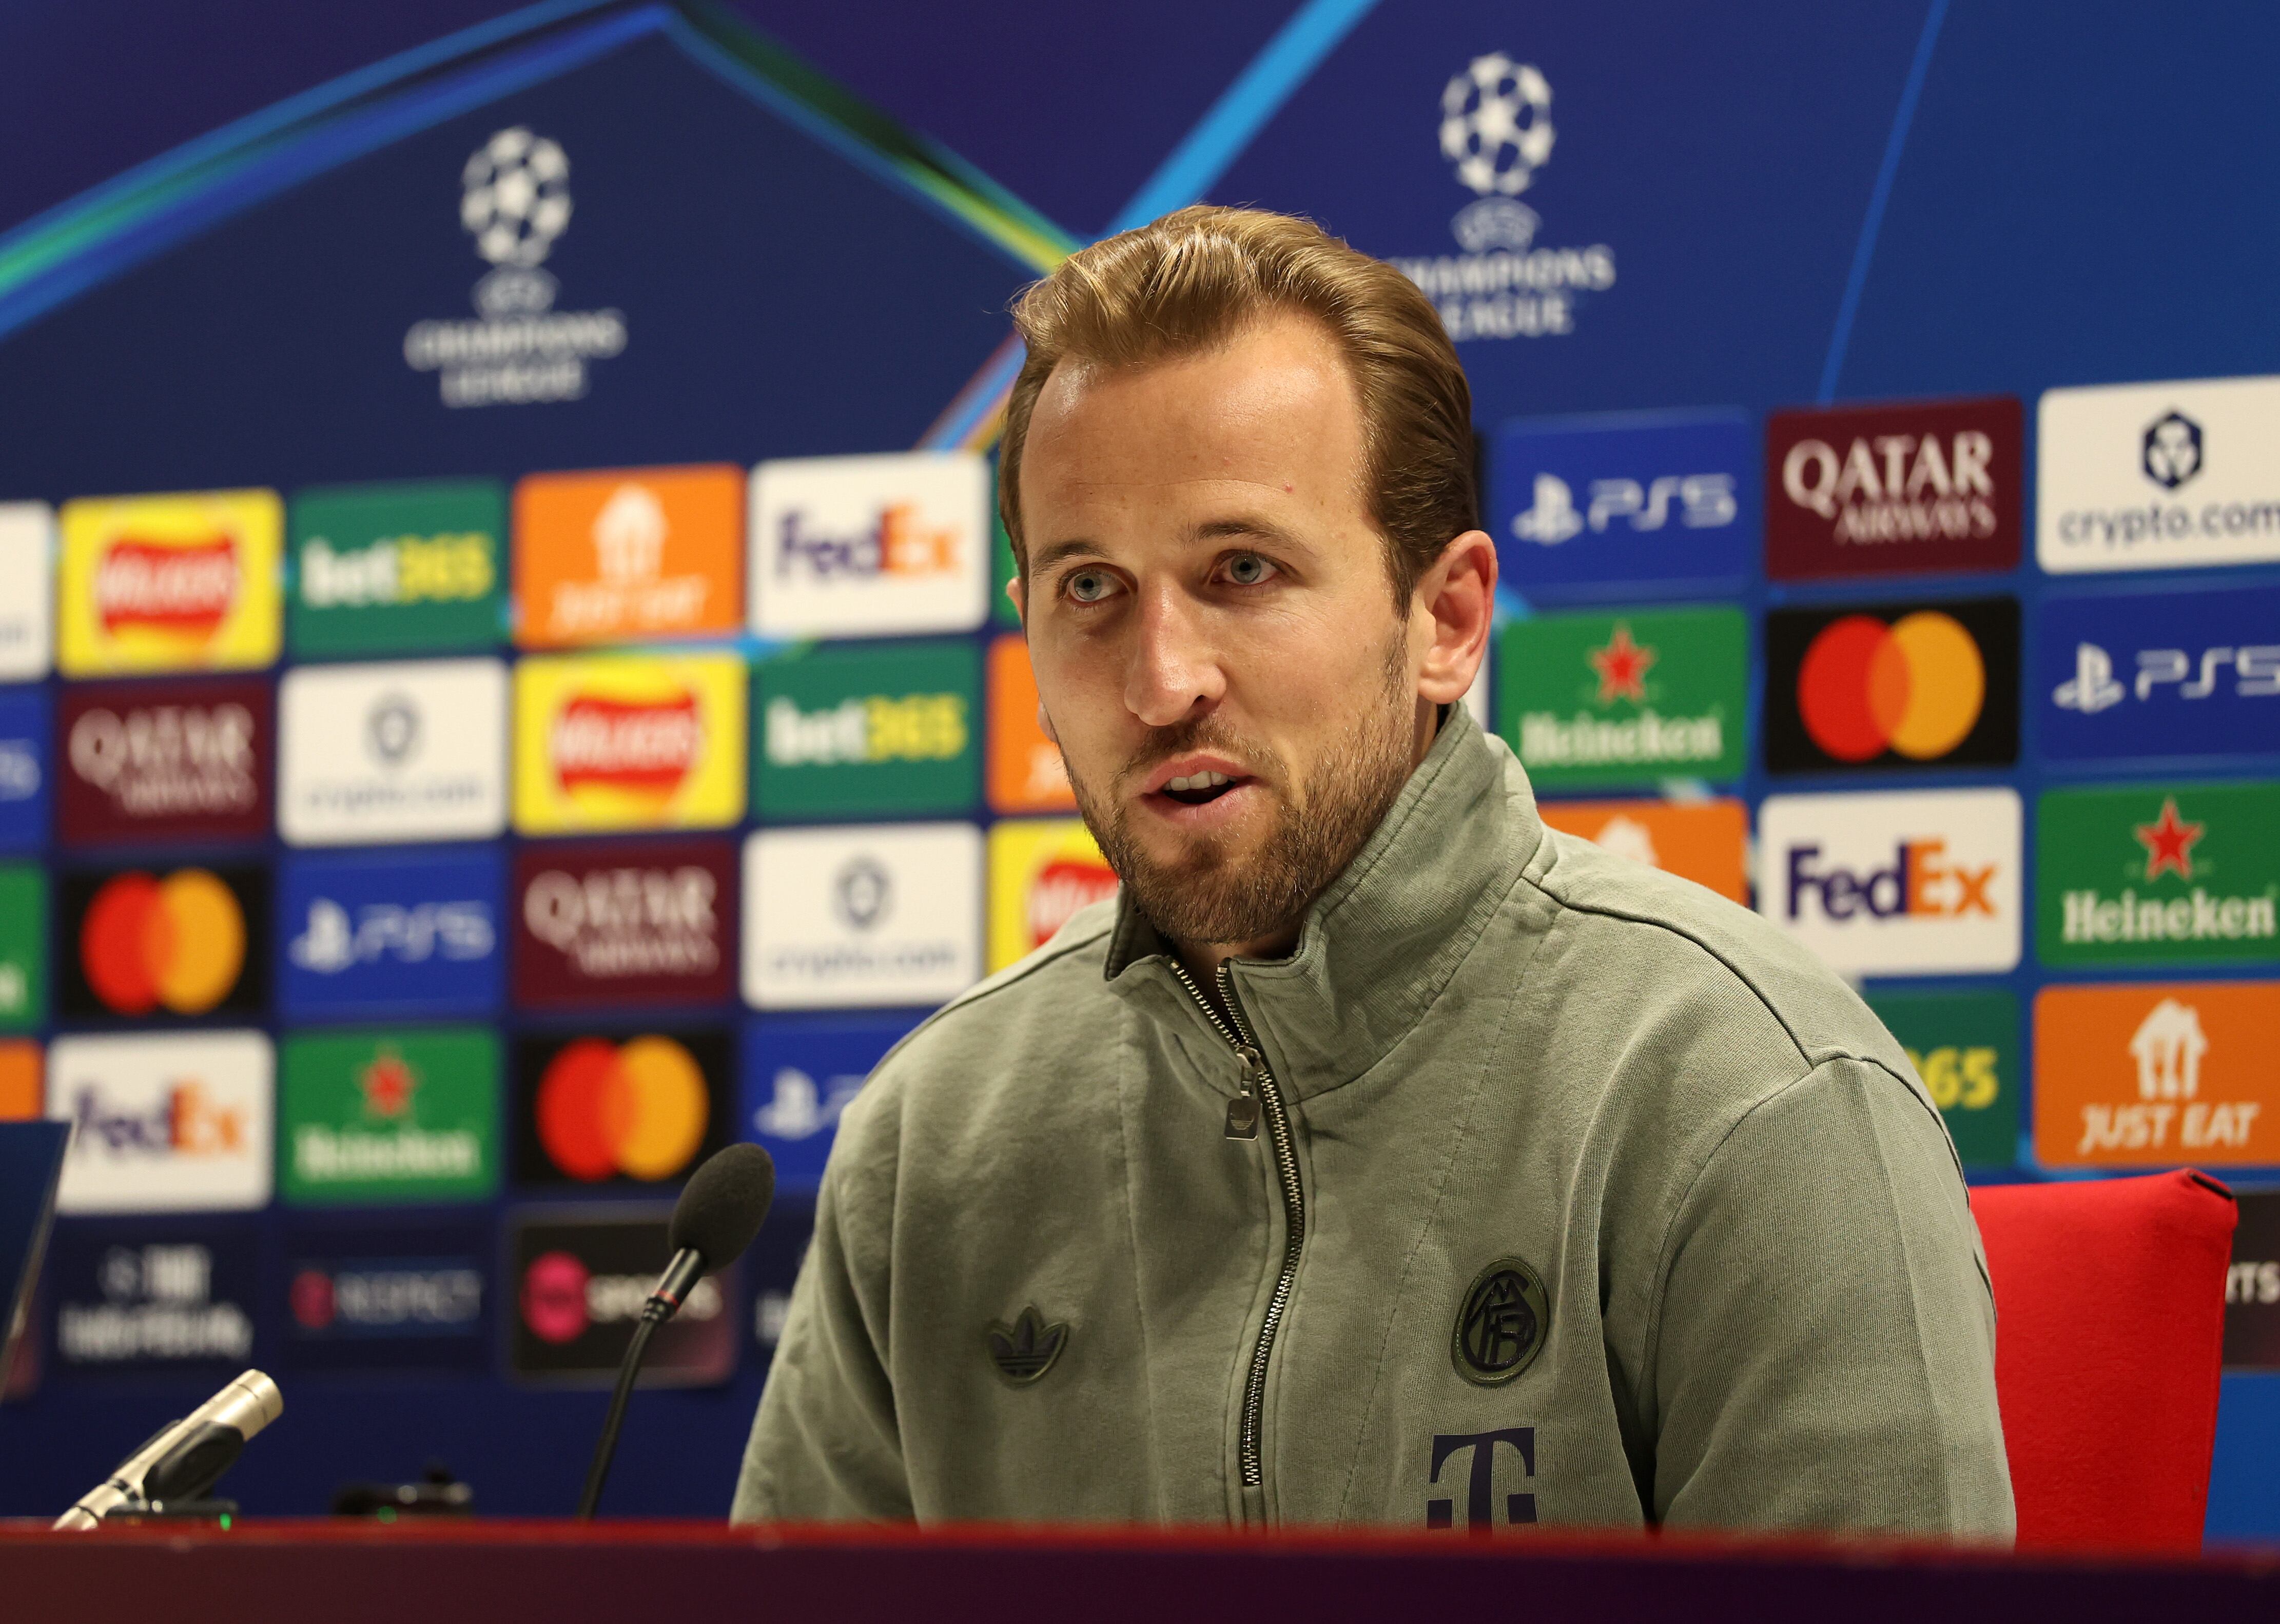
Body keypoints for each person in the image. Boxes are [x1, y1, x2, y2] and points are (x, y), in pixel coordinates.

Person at [731, 206, 2013, 1537]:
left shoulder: (1751, 1093)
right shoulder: (931, 1143)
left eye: (1242, 569)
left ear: (1448, 620)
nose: (1162, 683)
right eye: (1091, 589)